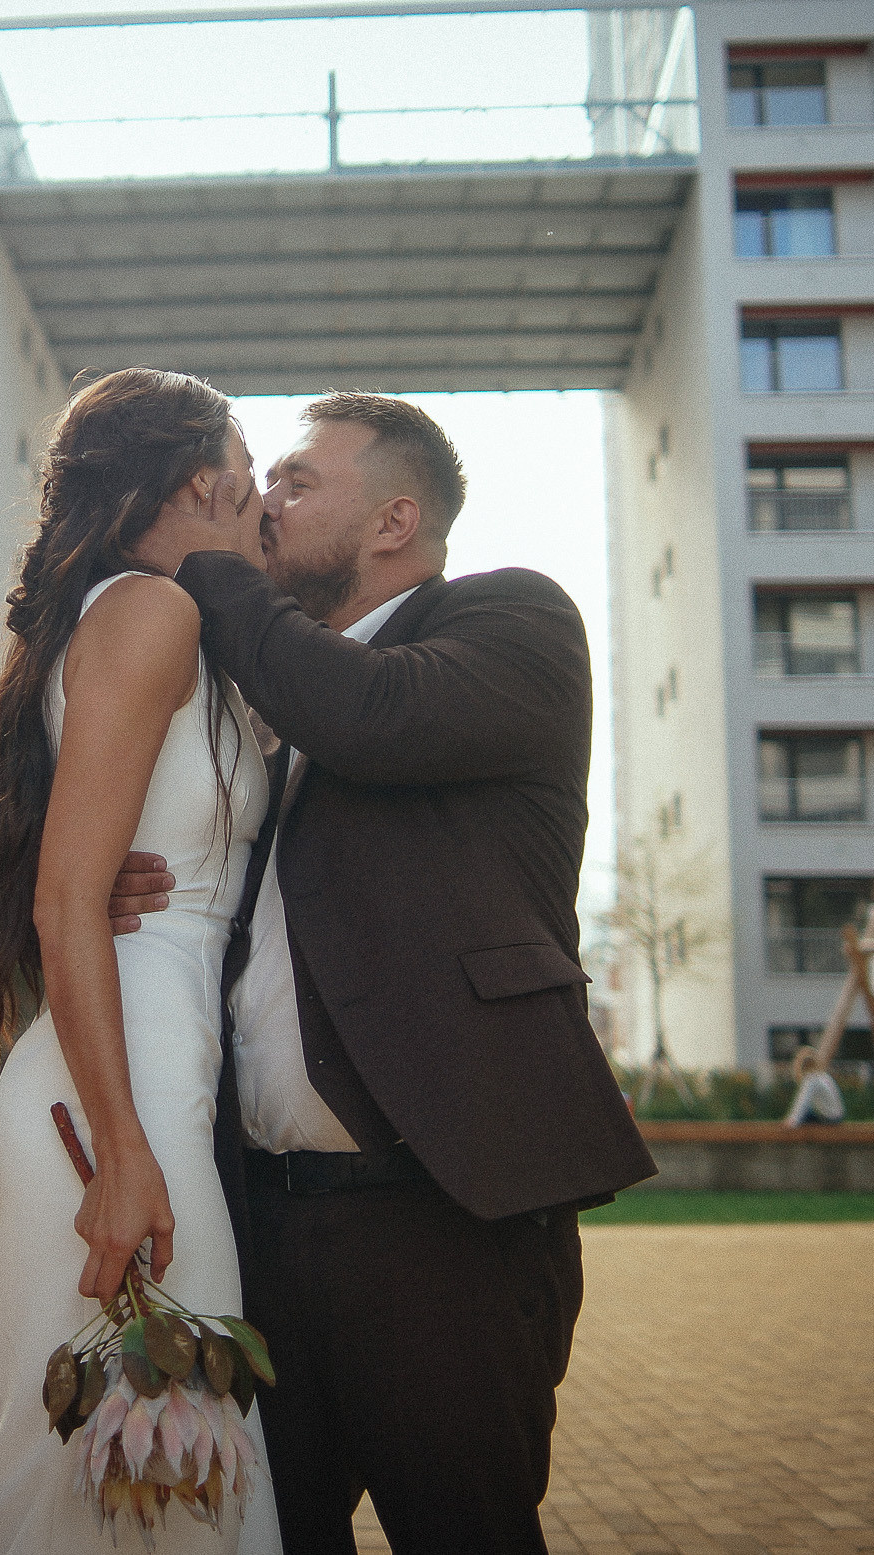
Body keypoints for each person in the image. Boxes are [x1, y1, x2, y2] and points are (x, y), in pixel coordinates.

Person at [125, 392, 660, 1555]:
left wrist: (213, 574)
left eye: (297, 482)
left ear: (394, 522)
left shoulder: (511, 623)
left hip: (442, 1230)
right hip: (260, 1226)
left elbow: (372, 715)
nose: (261, 504)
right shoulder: (270, 702)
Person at [0, 369, 282, 1553]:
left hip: (145, 1064)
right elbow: (68, 896)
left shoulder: (167, 622)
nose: (260, 502)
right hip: (112, 1104)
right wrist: (125, 1156)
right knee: (132, 1485)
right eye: (244, 475)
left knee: (152, 1488)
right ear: (198, 483)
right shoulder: (151, 613)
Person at [783, 1045, 845, 1126]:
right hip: (838, 1117)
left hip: (829, 1120)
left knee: (805, 1114)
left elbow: (802, 1102)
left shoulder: (811, 1079)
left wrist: (791, 1122)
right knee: (809, 1110)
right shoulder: (823, 1076)